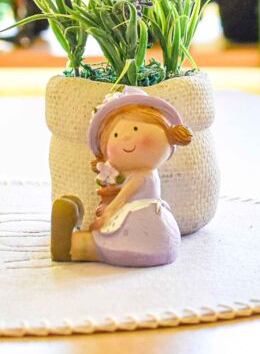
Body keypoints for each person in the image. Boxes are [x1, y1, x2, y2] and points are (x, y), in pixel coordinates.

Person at [50, 88, 190, 267]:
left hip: (140, 228)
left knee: (102, 244)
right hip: (150, 224)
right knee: (102, 240)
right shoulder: (141, 174)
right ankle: (71, 238)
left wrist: (106, 216)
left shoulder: (143, 176)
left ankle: (69, 247)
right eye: (115, 135)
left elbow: (122, 200)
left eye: (135, 128)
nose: (126, 137)